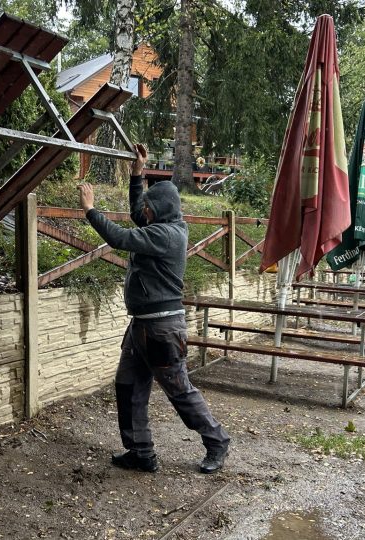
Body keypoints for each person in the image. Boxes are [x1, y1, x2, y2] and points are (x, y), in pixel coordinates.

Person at [78, 144, 231, 474]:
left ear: (159, 210)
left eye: (148, 208)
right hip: (141, 327)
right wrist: (137, 173)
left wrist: (91, 211)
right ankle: (141, 452)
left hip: (162, 329)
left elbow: (120, 237)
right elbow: (136, 214)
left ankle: (217, 440)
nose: (143, 213)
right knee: (128, 385)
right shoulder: (160, 225)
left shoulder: (169, 235)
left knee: (178, 390)